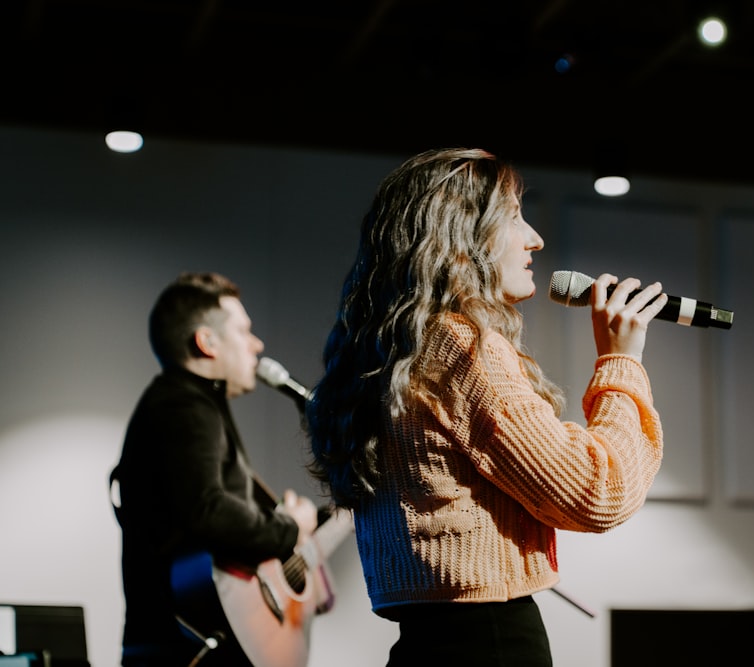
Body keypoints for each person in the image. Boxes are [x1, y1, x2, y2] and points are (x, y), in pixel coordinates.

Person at [306, 148, 667, 666]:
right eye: (515, 217)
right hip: (489, 641)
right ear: (463, 236)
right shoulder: (459, 347)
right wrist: (620, 362)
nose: (535, 239)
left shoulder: (388, 349)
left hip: (426, 641)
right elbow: (599, 492)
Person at [110, 272, 318, 666]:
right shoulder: (185, 406)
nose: (257, 345)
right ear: (206, 343)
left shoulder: (189, 403)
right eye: (244, 331)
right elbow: (208, 510)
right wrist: (290, 529)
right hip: (185, 649)